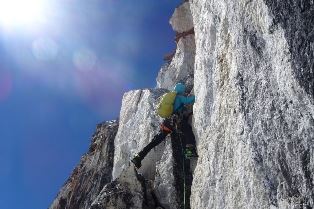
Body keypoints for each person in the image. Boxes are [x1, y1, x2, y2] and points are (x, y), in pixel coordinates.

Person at [131, 83, 196, 169]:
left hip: (167, 123)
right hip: (176, 121)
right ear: (182, 90)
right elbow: (189, 100)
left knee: (155, 141)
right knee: (188, 131)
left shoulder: (169, 97)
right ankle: (190, 152)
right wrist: (197, 94)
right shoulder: (179, 97)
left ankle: (139, 156)